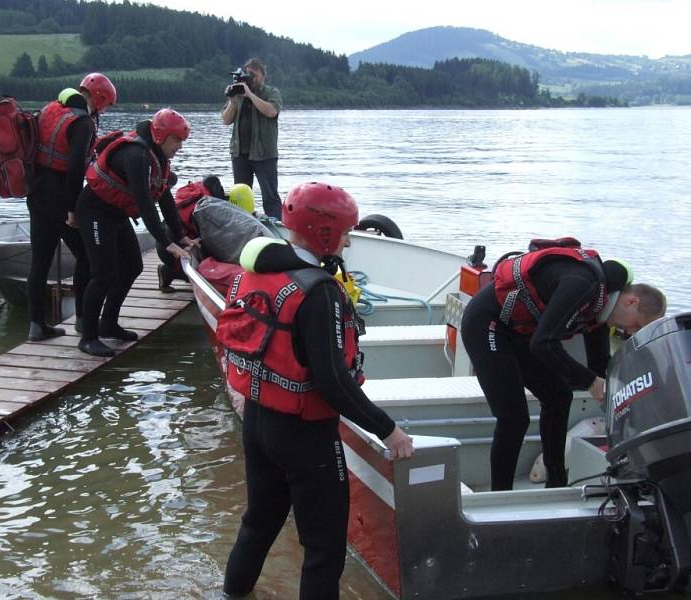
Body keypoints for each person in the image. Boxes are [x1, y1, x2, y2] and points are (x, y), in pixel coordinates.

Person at [217, 182, 414, 599]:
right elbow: (333, 382)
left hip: (258, 420)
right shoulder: (318, 290)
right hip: (305, 435)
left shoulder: (256, 270)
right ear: (324, 233)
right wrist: (388, 430)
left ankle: (231, 594)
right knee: (324, 550)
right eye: (345, 232)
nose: (348, 241)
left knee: (258, 522)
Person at [460, 241, 667, 490]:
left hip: (518, 331)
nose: (630, 332)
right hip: (487, 324)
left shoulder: (601, 310)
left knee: (559, 397)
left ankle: (556, 485)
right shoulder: (583, 286)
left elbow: (601, 365)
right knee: (513, 417)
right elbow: (544, 344)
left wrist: (628, 392)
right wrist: (590, 382)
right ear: (631, 302)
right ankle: (498, 495)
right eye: (637, 325)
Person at [75, 108, 196, 357]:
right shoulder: (136, 155)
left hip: (116, 213)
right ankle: (88, 337)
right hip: (94, 210)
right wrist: (166, 243)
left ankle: (108, 322)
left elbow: (164, 199)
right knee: (103, 273)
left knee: (132, 266)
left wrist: (180, 235)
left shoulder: (159, 157)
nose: (179, 147)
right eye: (177, 140)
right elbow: (145, 203)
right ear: (162, 135)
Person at [25, 72, 116, 341]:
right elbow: (75, 167)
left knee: (39, 262)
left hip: (37, 193)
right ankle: (81, 319)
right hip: (61, 198)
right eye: (107, 104)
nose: (105, 109)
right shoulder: (83, 122)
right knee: (87, 256)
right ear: (99, 97)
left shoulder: (52, 109)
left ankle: (36, 325)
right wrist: (74, 210)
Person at [221, 58, 283, 219]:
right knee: (240, 194)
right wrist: (233, 101)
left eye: (254, 75)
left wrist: (249, 95)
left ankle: (277, 228)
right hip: (240, 153)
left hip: (264, 154)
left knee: (270, 196)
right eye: (248, 75)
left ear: (263, 75)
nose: (251, 79)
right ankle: (243, 224)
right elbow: (226, 120)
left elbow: (271, 112)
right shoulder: (239, 93)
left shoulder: (271, 92)